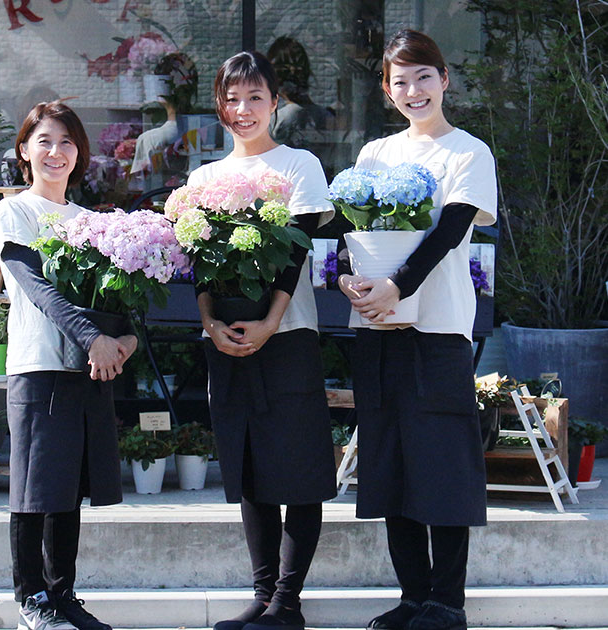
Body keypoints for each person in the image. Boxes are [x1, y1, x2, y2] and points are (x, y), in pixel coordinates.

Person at [336, 29, 497, 630]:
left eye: (423, 76)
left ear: (444, 78)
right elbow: (357, 238)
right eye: (399, 81)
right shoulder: (375, 155)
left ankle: (446, 604)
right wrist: (353, 280)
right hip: (378, 329)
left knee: (445, 466)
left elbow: (450, 231)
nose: (413, 90)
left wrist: (398, 285)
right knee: (390, 464)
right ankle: (412, 598)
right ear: (386, 90)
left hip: (438, 332)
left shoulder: (468, 153)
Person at [190, 51, 337, 630]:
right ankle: (262, 594)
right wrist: (208, 323)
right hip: (225, 338)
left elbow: (296, 250)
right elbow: (199, 264)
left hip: (289, 335)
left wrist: (271, 321)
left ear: (275, 101)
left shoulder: (299, 164)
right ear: (219, 106)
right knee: (249, 466)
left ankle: (289, 603)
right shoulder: (203, 177)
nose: (243, 109)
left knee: (296, 468)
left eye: (255, 97)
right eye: (232, 98)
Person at [0, 100, 139, 630]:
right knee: (35, 487)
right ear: (25, 152)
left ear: (80, 155)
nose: (56, 152)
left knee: (69, 487)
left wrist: (124, 339)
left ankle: (63, 594)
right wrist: (95, 336)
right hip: (38, 367)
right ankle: (32, 598)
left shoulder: (92, 222)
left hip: (90, 368)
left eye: (68, 142)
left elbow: (117, 298)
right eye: (45, 141)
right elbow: (38, 290)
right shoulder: (16, 212)